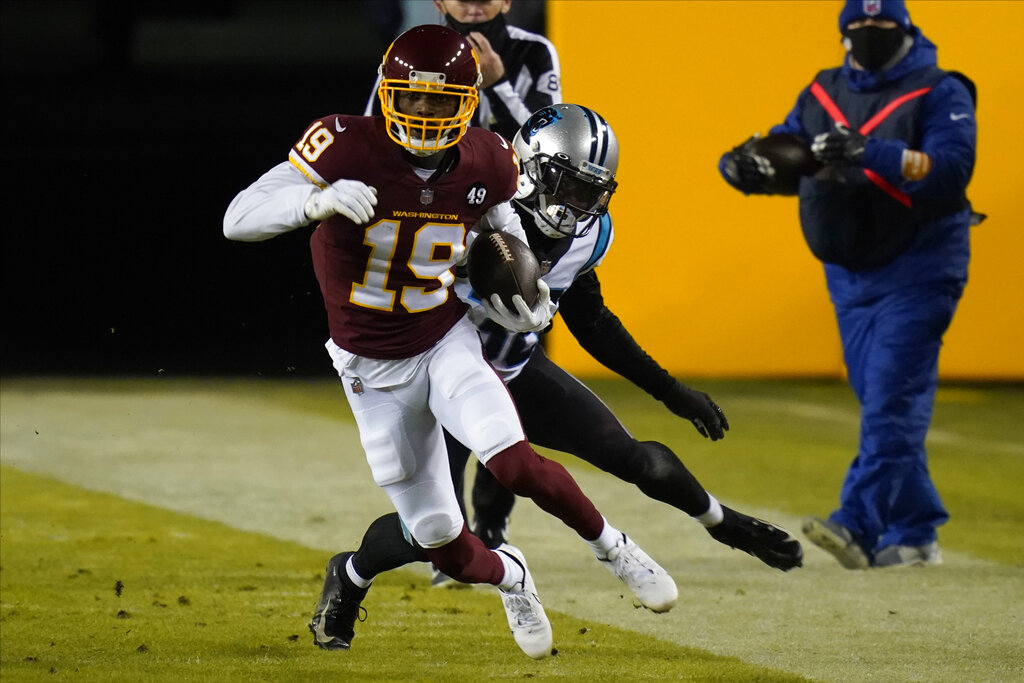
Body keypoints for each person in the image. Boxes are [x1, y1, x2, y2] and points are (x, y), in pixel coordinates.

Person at [223, 25, 676, 660]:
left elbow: (498, 225)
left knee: (512, 461)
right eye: (414, 98)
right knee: (440, 536)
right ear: (389, 94)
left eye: (443, 100)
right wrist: (312, 201)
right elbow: (236, 219)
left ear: (467, 99)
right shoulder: (346, 146)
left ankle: (615, 548)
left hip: (443, 339)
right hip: (368, 367)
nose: (427, 112)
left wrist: (526, 291)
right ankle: (512, 576)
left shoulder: (488, 156)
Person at [312, 103, 805, 648]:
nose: (573, 207)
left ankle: (722, 523)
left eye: (587, 192)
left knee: (633, 456)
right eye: (564, 186)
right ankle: (353, 575)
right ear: (527, 165)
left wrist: (670, 391)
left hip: (515, 373)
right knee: (435, 537)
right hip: (436, 375)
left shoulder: (588, 237)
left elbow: (590, 319)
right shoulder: (471, 202)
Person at [719, 0, 978, 569]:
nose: (868, 33)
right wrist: (744, 167)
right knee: (884, 400)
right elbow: (790, 150)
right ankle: (915, 532)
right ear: (842, 34)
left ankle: (857, 525)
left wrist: (872, 151)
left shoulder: (942, 91)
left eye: (881, 25)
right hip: (848, 271)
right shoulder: (823, 91)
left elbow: (952, 172)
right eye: (857, 25)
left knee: (890, 400)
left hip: (920, 264)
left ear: (906, 29)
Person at [364, 0, 562, 143]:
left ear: (506, 2)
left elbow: (547, 143)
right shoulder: (410, 51)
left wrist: (498, 86)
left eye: (484, 1)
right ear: (439, 3)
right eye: (463, 2)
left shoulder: (535, 50)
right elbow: (371, 134)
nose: (474, 11)